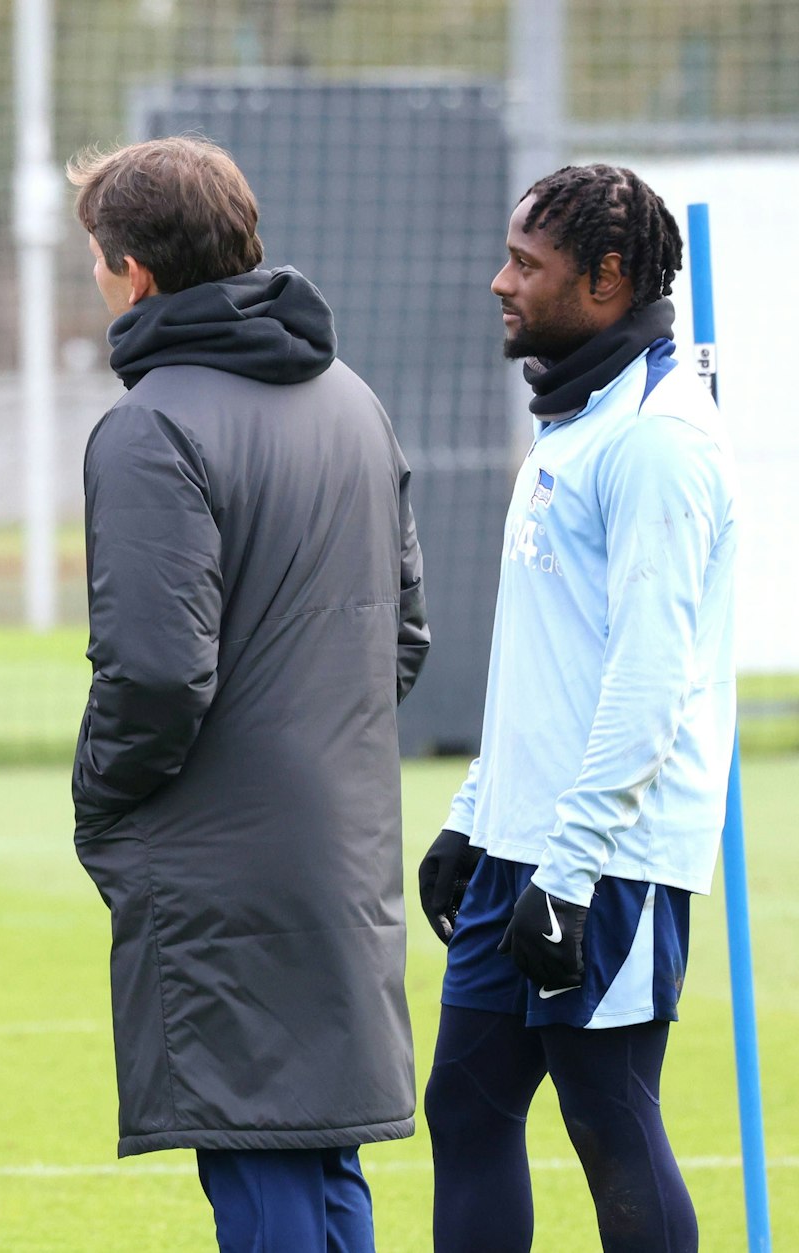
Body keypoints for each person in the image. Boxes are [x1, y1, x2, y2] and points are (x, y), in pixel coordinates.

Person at [66, 137, 430, 1252]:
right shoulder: (351, 399)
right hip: (339, 849)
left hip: (224, 865)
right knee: (321, 1165)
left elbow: (155, 673)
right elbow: (402, 637)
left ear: (131, 272)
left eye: (94, 257)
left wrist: (102, 802)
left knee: (266, 1168)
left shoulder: (149, 426)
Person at [417, 164, 734, 1253]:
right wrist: (474, 810)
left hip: (605, 857)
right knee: (462, 1106)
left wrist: (564, 872)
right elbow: (546, 663)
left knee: (605, 1119)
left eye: (525, 264)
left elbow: (649, 679)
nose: (498, 281)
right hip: (527, 837)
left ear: (603, 279)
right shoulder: (580, 415)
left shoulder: (654, 437)